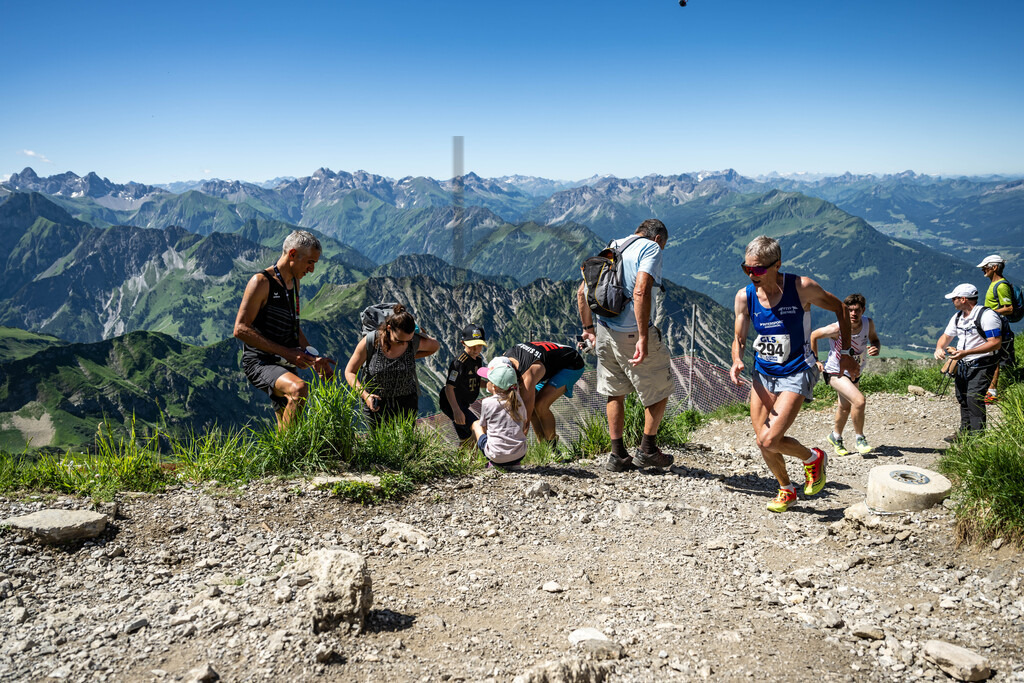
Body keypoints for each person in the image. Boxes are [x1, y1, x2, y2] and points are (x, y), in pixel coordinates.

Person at [729, 235, 857, 513]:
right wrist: (736, 359)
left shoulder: (802, 288)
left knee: (770, 439)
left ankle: (812, 458)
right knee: (762, 440)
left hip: (797, 370)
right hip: (763, 373)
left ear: (777, 265)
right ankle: (786, 488)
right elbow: (739, 338)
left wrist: (845, 351)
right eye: (747, 268)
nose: (752, 275)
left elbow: (840, 308)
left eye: (759, 269)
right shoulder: (745, 296)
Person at [577, 218, 674, 471]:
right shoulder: (650, 249)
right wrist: (643, 336)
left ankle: (617, 455)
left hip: (604, 328)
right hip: (631, 332)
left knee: (614, 392)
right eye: (663, 246)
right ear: (658, 239)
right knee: (660, 387)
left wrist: (588, 330)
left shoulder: (614, 245)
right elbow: (641, 291)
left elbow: (582, 292)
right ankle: (648, 450)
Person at [234, 230, 335, 429]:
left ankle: (284, 456)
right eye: (310, 262)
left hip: (285, 359)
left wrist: (312, 357)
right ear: (292, 254)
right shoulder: (261, 282)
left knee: (288, 423)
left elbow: (292, 326)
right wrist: (287, 353)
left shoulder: (294, 282)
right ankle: (288, 454)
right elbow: (240, 329)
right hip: (260, 361)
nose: (312, 269)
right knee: (299, 389)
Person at [344, 304, 439, 427]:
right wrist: (365, 395)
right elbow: (349, 372)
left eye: (408, 340)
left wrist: (412, 352)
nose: (403, 344)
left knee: (406, 443)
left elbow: (435, 346)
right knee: (380, 444)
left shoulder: (413, 342)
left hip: (406, 402)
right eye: (399, 340)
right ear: (389, 328)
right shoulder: (371, 341)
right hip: (376, 403)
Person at [810, 293, 881, 456]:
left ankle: (835, 437)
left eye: (857, 310)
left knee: (844, 406)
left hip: (855, 371)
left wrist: (876, 347)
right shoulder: (837, 328)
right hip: (835, 371)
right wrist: (816, 360)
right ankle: (860, 438)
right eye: (849, 310)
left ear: (863, 310)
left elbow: (874, 340)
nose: (853, 314)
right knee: (859, 401)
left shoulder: (868, 323)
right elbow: (814, 335)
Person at [933, 283, 1003, 440]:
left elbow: (995, 342)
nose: (952, 301)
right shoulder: (958, 316)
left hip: (982, 363)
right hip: (963, 364)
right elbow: (946, 336)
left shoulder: (987, 316)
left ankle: (978, 439)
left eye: (954, 298)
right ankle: (965, 433)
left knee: (974, 398)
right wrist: (939, 348)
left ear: (963, 299)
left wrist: (966, 352)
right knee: (962, 397)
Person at [503, 341, 585, 448]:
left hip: (571, 363)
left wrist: (513, 449)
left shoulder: (528, 375)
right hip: (547, 362)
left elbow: (525, 420)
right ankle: (543, 448)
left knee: (540, 405)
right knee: (532, 409)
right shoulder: (505, 357)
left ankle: (552, 448)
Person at [471, 357, 528, 470]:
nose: (486, 382)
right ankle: (513, 463)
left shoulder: (487, 403)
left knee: (476, 424)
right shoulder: (518, 400)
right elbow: (524, 421)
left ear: (494, 386)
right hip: (520, 454)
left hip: (496, 456)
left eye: (488, 380)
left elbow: (483, 426)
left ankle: (487, 462)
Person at [438, 324, 487, 445]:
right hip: (451, 402)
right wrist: (456, 410)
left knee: (466, 438)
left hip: (462, 403)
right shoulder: (459, 363)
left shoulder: (478, 360)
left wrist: (492, 385)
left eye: (479, 345)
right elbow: (449, 388)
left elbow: (476, 381)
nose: (476, 349)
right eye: (472, 346)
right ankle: (486, 454)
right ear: (463, 343)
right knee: (476, 426)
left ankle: (464, 462)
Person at [978, 254, 1016, 402]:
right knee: (991, 357)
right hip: (992, 325)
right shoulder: (994, 284)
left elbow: (1009, 308)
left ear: (994, 267)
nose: (983, 270)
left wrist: (988, 313)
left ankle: (991, 393)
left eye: (985, 267)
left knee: (996, 358)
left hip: (998, 327)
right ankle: (988, 390)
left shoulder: (1001, 285)